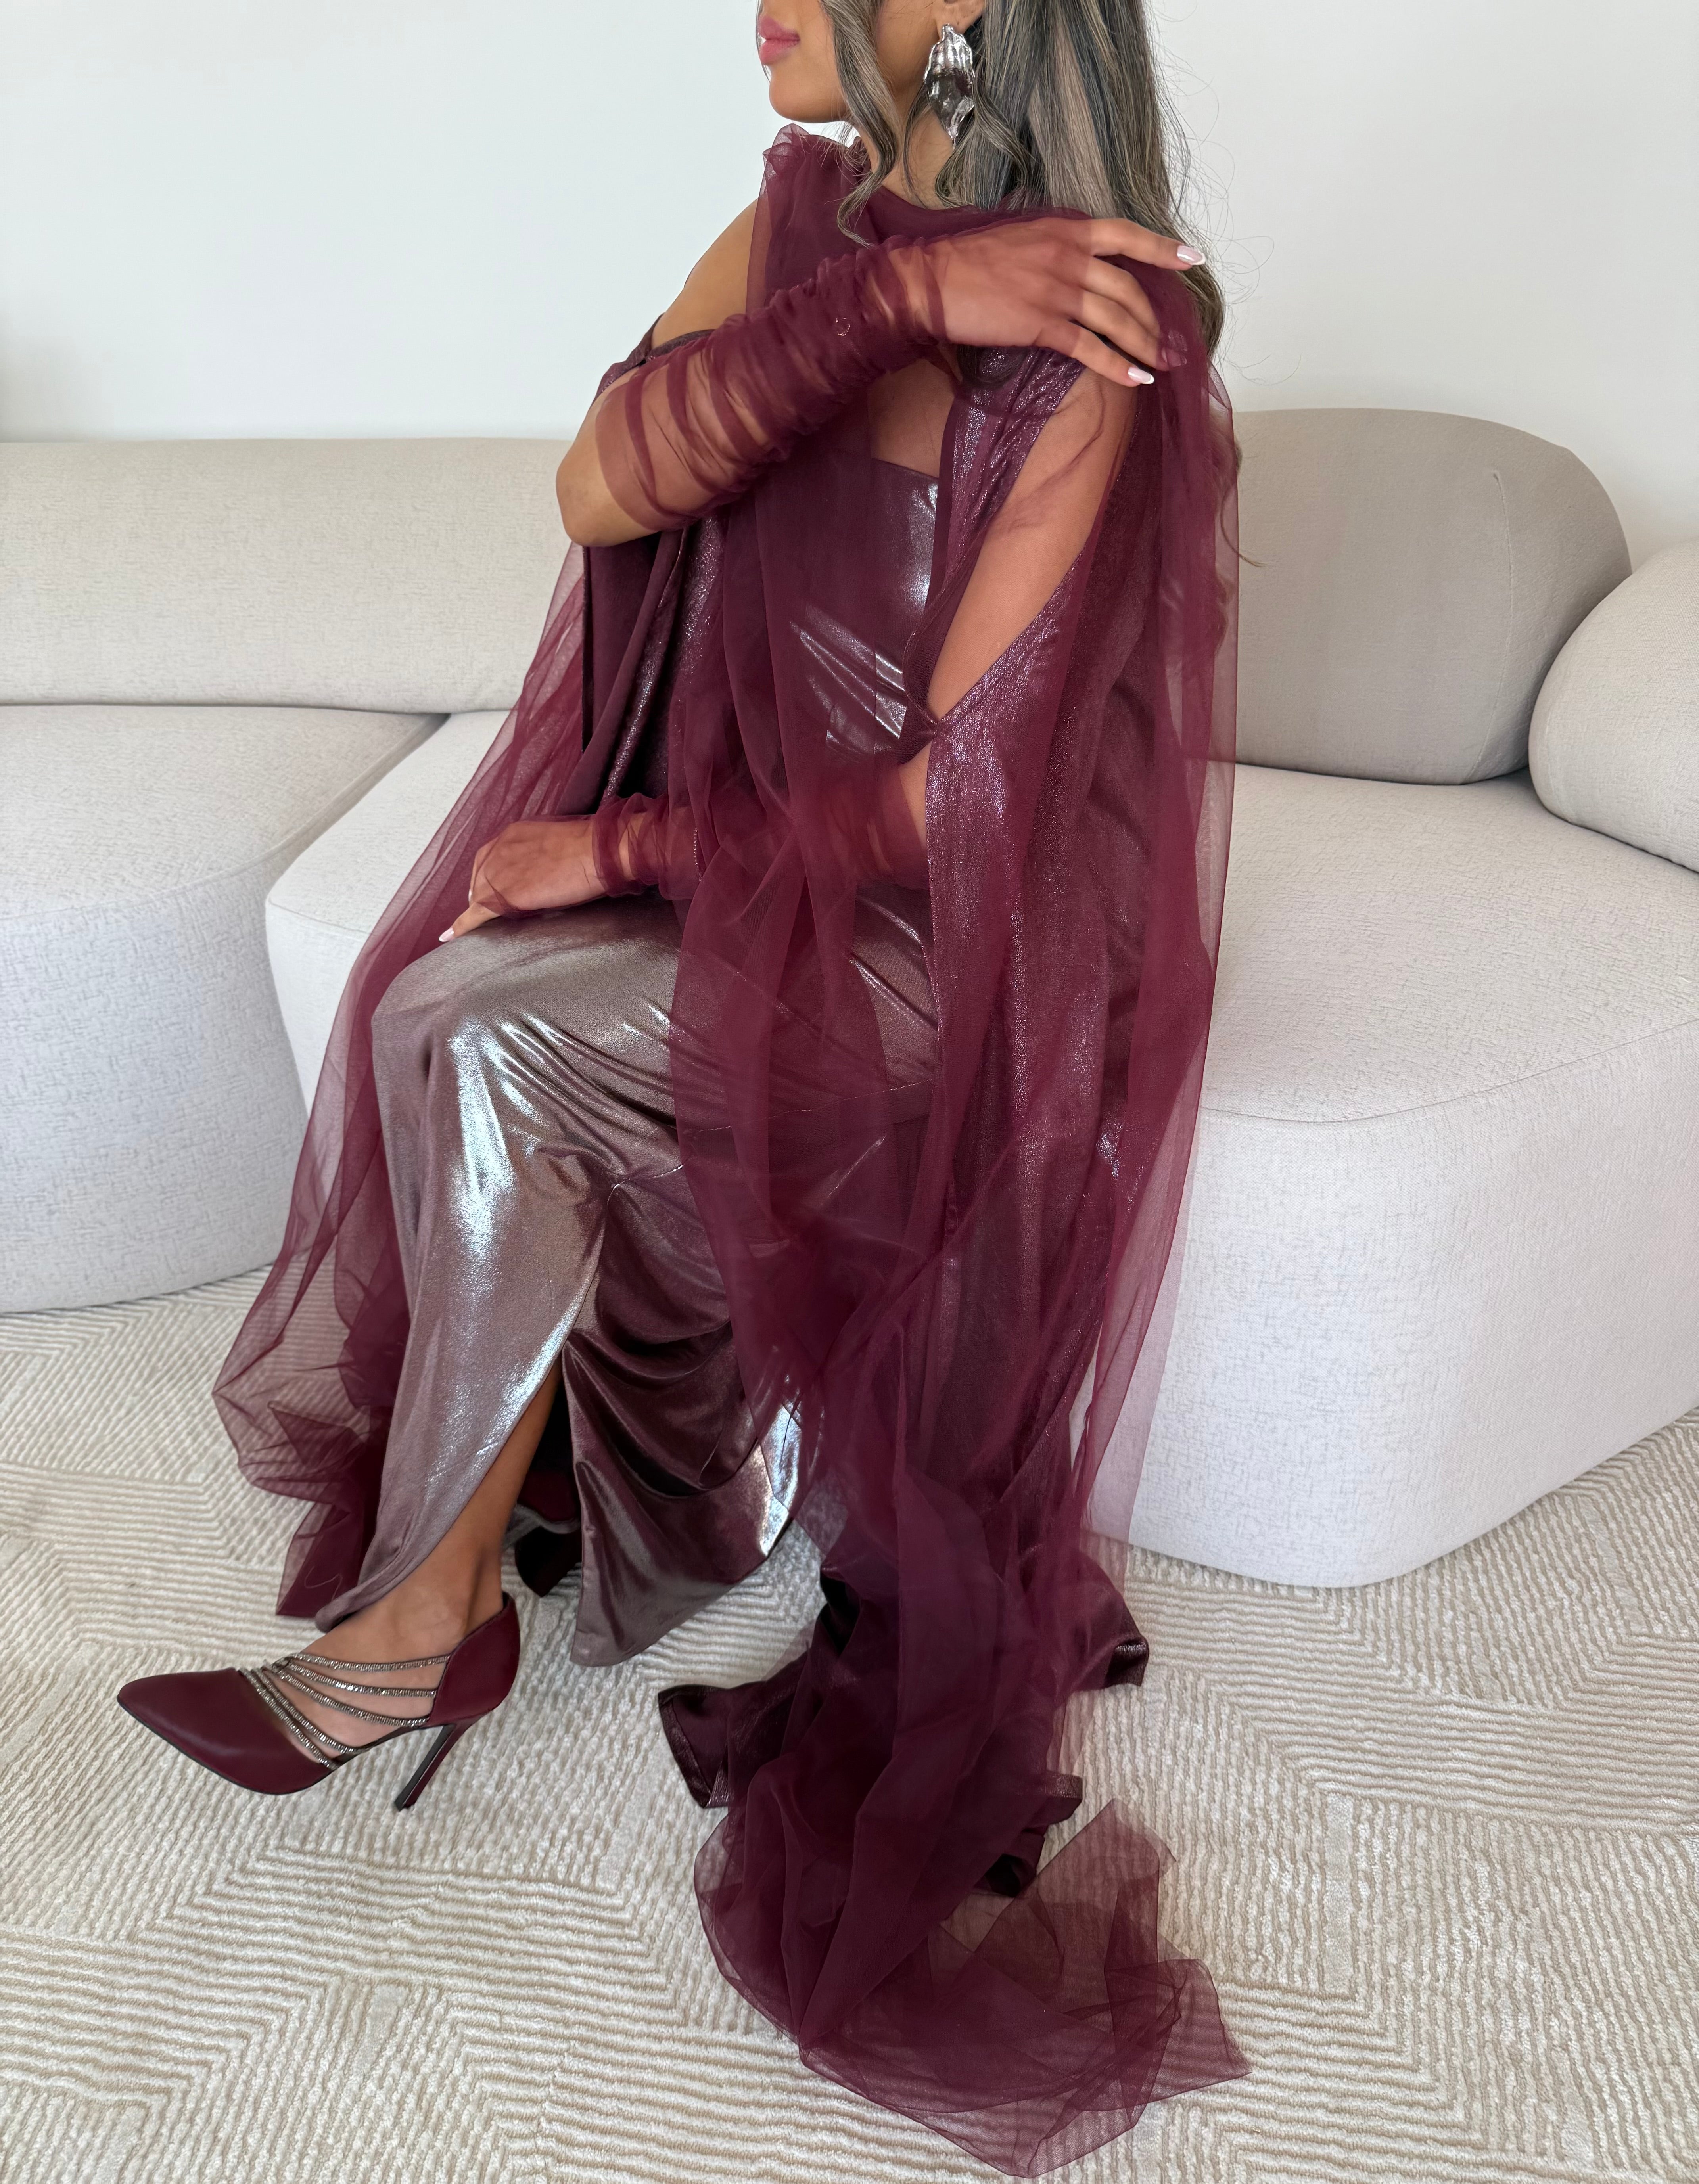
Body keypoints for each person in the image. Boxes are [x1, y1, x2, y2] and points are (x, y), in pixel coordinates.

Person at [119, 2, 1245, 2169]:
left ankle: (420, 1630)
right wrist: (897, 294)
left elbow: (957, 808)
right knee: (434, 999)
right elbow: (599, 484)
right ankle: (441, 1602)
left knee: (490, 1020)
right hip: (768, 877)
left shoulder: (1102, 339)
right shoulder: (800, 236)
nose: (760, 5)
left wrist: (629, 849)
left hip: (955, 949)